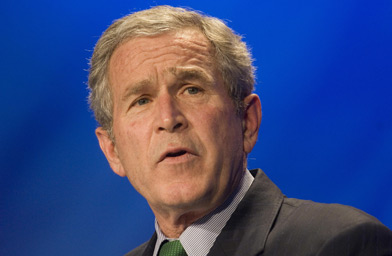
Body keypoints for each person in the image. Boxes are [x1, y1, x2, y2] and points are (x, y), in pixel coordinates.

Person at [88, 5, 392, 256]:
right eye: (141, 100)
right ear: (112, 150)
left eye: (191, 89)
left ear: (247, 121)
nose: (168, 119)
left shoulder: (339, 243)